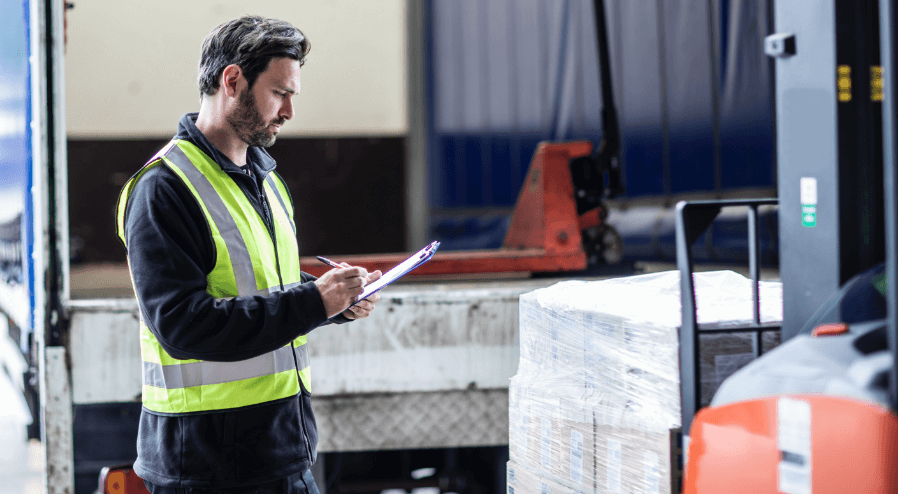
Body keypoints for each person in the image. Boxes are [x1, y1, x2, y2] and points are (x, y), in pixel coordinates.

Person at [114, 15, 381, 493]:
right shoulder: (164, 188)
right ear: (232, 80)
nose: (289, 112)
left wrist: (332, 301)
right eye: (280, 93)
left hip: (280, 451)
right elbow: (182, 325)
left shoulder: (268, 180)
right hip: (205, 467)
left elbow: (262, 290)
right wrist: (313, 303)